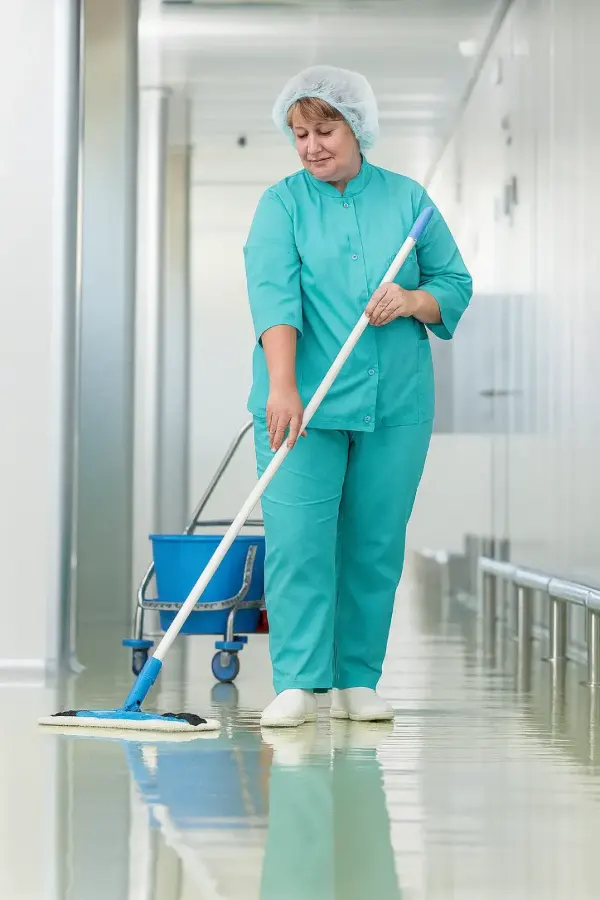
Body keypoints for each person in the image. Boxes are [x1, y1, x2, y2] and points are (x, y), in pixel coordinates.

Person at [244, 65, 472, 727]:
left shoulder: (408, 202)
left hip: (395, 404)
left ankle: (356, 680)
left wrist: (412, 299)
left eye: (325, 130)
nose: (311, 146)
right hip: (303, 405)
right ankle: (298, 682)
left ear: (358, 127)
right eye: (299, 134)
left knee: (373, 543)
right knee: (298, 542)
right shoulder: (281, 205)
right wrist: (282, 387)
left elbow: (454, 282)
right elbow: (274, 297)